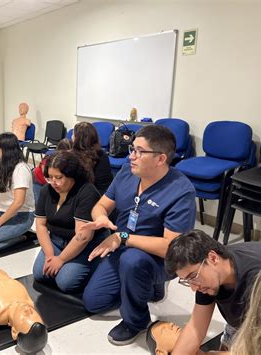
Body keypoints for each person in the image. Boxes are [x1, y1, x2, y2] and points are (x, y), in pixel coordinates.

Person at [81, 125, 197, 345]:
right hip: (123, 247)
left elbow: (172, 247)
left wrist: (123, 238)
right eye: (132, 149)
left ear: (161, 158)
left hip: (158, 257)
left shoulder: (181, 191)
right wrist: (101, 217)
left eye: (139, 151)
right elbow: (101, 205)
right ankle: (144, 285)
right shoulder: (127, 172)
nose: (131, 156)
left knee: (132, 260)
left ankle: (136, 321)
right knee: (93, 302)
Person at [164, 230, 261, 354]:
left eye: (193, 276)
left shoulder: (257, 280)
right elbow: (196, 328)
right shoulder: (208, 275)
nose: (193, 288)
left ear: (213, 258)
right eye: (187, 281)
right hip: (244, 319)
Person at [32, 150, 107, 293]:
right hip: (57, 239)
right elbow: (40, 225)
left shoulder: (87, 192)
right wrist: (49, 255)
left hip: (86, 244)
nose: (54, 182)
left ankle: (100, 263)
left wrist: (60, 260)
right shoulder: (47, 190)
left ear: (72, 176)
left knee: (66, 283)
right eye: (50, 177)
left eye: (59, 177)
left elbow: (83, 237)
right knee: (40, 274)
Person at [72, 121, 113, 195]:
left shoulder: (71, 156)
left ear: (77, 139)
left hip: (88, 198)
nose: (71, 137)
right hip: (97, 197)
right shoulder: (102, 155)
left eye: (73, 135)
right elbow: (105, 187)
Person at [32, 138, 73, 203]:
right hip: (39, 180)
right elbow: (44, 173)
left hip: (53, 182)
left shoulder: (71, 158)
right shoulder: (50, 156)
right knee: (40, 202)